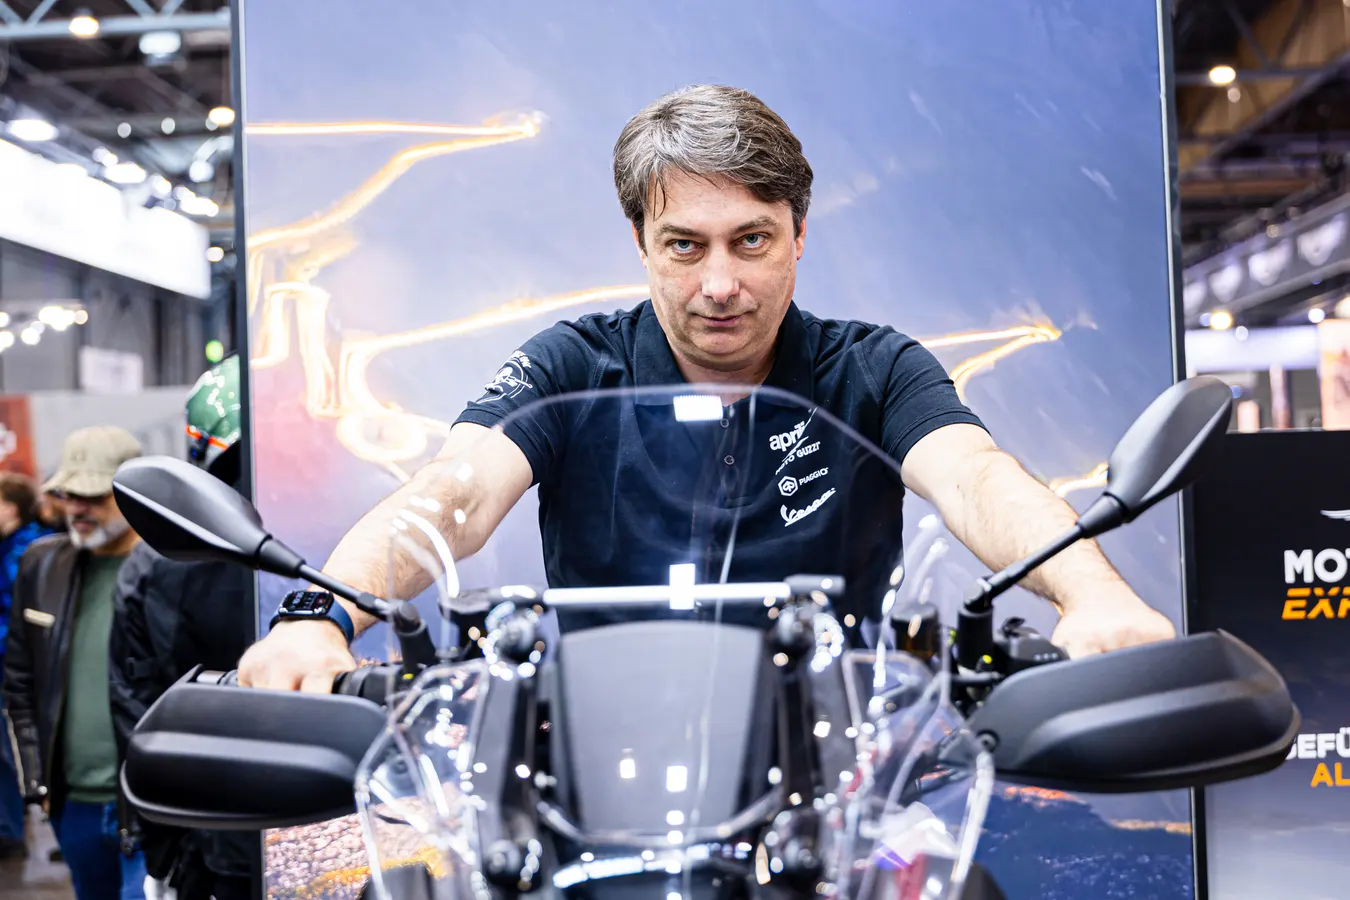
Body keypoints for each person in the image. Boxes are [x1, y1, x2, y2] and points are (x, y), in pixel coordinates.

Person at [237, 83, 1176, 693]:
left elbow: (975, 478)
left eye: (751, 240)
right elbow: (457, 492)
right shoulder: (572, 365)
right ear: (641, 245)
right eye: (684, 245)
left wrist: (1089, 594)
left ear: (799, 235)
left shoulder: (877, 369)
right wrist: (321, 617)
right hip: (596, 769)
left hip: (840, 770)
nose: (719, 283)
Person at [109, 356, 259, 900]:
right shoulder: (361, 538)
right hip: (358, 832)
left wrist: (161, 848)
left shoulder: (157, 561)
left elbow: (139, 713)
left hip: (211, 838)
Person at [2, 426, 149, 900]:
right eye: (69, 494)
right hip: (74, 803)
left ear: (132, 493)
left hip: (148, 800)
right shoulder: (41, 564)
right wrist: (36, 780)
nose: (78, 508)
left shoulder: (171, 569)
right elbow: (20, 680)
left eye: (94, 495)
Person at [1, 472, 54, 858]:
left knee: (19, 741)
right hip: (11, 656)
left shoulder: (27, 549)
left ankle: (11, 827)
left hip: (17, 658)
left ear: (13, 507)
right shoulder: (12, 546)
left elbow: (20, 613)